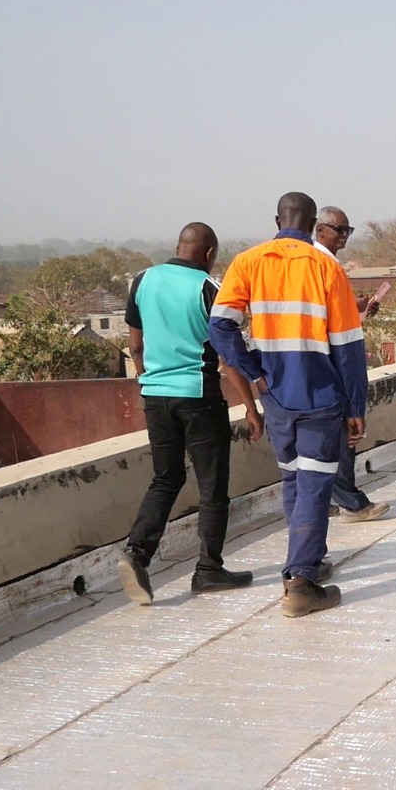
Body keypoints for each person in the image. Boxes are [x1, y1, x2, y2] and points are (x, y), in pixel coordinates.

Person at [210, 193, 368, 617]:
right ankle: (300, 580)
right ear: (314, 223)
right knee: (316, 484)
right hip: (320, 396)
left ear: (276, 219)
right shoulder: (327, 267)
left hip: (276, 396)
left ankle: (307, 561)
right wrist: (357, 406)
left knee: (295, 481)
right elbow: (349, 347)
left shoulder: (247, 262)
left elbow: (220, 326)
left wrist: (254, 372)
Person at [118, 222, 263, 606]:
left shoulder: (142, 280)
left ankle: (137, 552)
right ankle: (208, 570)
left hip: (155, 395)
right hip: (198, 395)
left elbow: (135, 344)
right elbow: (227, 355)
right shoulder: (209, 289)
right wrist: (251, 407)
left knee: (165, 478)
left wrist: (146, 381)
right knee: (212, 484)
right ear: (210, 254)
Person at [313, 205, 390, 524]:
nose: (344, 236)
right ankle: (350, 501)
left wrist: (356, 309)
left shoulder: (326, 263)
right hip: (333, 361)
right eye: (338, 230)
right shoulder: (320, 263)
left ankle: (330, 497)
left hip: (321, 359)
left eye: (348, 231)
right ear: (320, 229)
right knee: (344, 429)